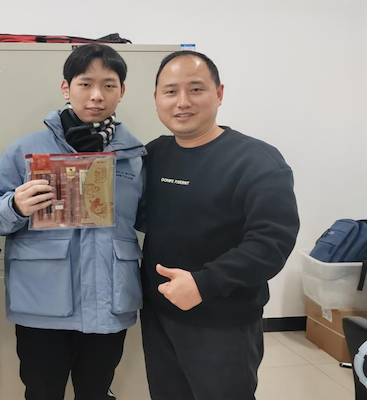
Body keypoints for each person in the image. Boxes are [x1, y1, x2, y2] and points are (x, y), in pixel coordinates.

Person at [0, 44, 145, 400]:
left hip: (109, 302)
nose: (97, 95)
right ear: (66, 88)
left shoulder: (135, 156)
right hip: (43, 304)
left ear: (122, 91)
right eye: (85, 84)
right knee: (42, 392)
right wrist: (15, 206)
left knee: (96, 392)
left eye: (109, 85)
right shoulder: (26, 149)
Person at [137, 51, 300, 400]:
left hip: (222, 321)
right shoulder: (153, 155)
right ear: (156, 98)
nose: (182, 102)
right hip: (159, 316)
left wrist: (203, 283)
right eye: (170, 91)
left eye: (196, 89)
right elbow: (136, 214)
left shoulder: (256, 161)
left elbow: (271, 243)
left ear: (219, 93)